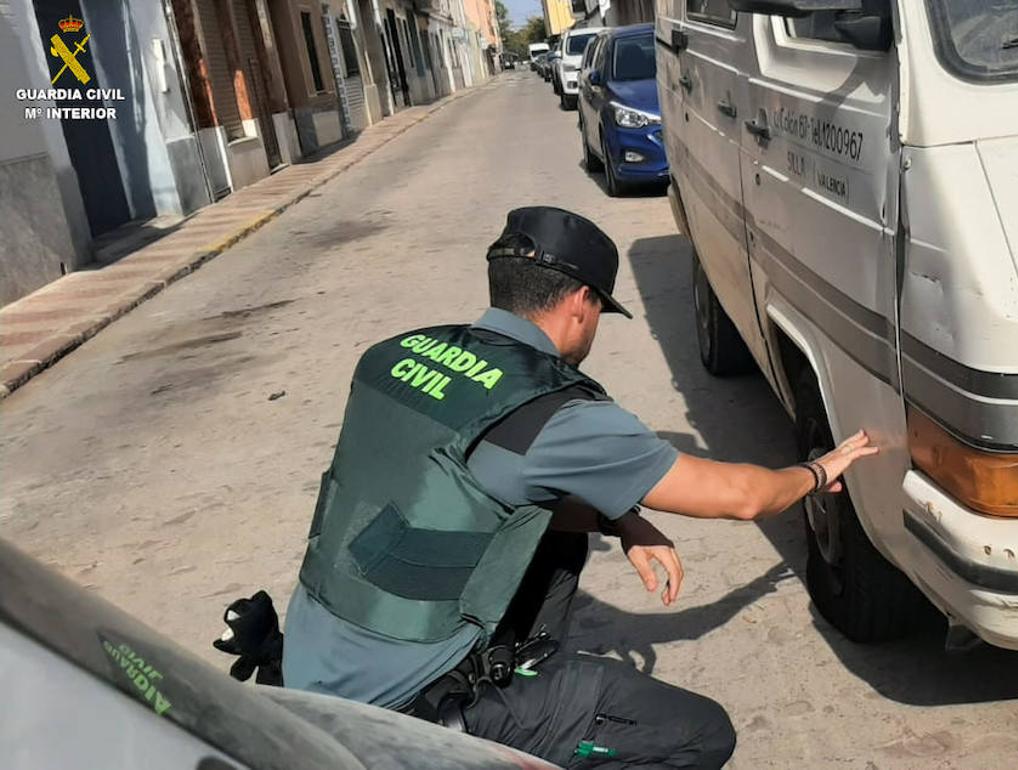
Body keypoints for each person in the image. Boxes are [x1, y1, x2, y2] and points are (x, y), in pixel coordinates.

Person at [282, 206, 878, 768]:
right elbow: (740, 496)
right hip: (404, 707)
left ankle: (513, 682)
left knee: (552, 532)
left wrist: (620, 518)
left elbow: (462, 491)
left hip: (311, 667)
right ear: (580, 303)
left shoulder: (392, 355)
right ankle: (484, 734)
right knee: (698, 734)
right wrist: (820, 470)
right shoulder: (553, 411)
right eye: (598, 312)